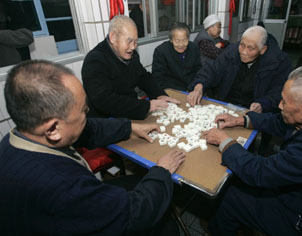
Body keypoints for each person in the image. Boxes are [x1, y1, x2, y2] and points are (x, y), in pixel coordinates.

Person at [0, 60, 186, 235]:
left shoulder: (21, 134)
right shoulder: (62, 186)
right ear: (53, 128)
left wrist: (129, 127)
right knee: (167, 228)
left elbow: (89, 129)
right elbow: (133, 215)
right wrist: (162, 171)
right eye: (83, 111)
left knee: (135, 183)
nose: (87, 113)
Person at [202, 65, 302, 235]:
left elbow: (260, 172)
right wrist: (241, 120)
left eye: (284, 102)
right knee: (238, 176)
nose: (279, 105)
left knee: (232, 197)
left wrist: (224, 141)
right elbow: (279, 122)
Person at [82, 15, 179, 120]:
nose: (133, 47)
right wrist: (146, 106)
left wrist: (158, 94)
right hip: (106, 122)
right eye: (129, 41)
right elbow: (105, 101)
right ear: (113, 37)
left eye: (136, 41)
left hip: (130, 111)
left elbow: (143, 77)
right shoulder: (94, 61)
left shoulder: (131, 54)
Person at [188, 25, 292, 113]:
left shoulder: (279, 62)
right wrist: (199, 86)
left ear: (263, 49)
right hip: (227, 102)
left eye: (250, 48)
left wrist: (264, 104)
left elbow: (279, 90)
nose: (243, 52)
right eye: (242, 45)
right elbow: (213, 69)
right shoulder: (232, 51)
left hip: (253, 108)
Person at [152, 22, 202, 91]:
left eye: (184, 40)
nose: (181, 44)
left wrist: (197, 87)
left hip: (192, 88)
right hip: (172, 90)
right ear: (171, 40)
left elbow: (198, 70)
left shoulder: (194, 48)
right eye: (177, 41)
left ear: (188, 38)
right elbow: (158, 78)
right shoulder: (161, 51)